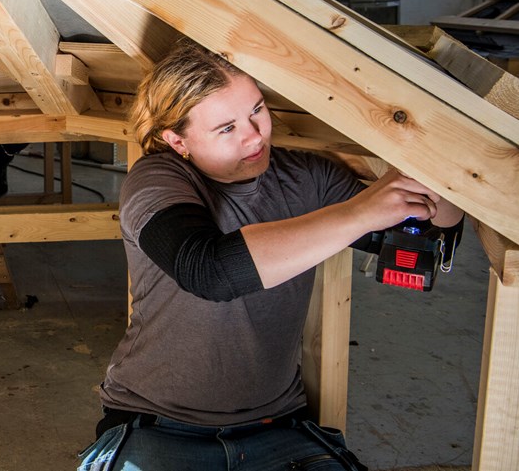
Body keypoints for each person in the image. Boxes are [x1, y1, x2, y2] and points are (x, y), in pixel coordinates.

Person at [77, 39, 464, 471]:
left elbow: (423, 235)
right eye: (226, 128)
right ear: (178, 140)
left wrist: (442, 178)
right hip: (157, 424)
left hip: (277, 428)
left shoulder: (307, 179)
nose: (254, 135)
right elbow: (208, 270)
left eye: (257, 110)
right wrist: (358, 212)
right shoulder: (156, 180)